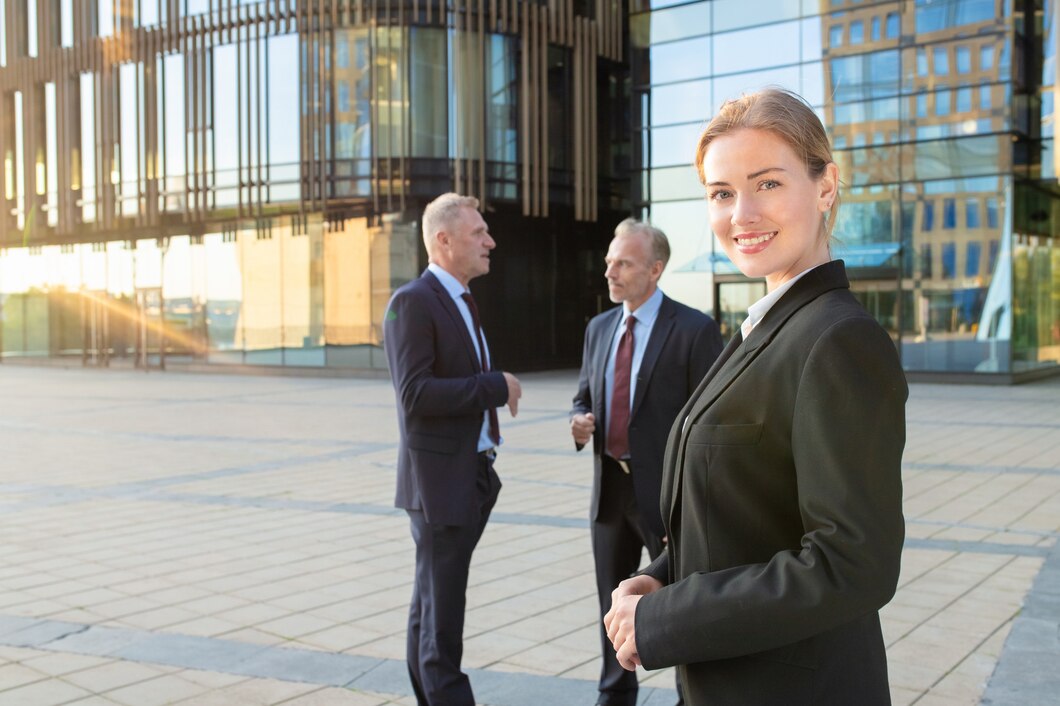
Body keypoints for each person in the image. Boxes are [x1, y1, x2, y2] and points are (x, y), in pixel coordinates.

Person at [604, 88, 908, 705]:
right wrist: (654, 578)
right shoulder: (767, 327)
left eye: (767, 183)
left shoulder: (838, 339)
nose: (740, 214)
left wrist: (665, 620)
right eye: (721, 193)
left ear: (825, 187)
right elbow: (749, 515)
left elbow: (851, 563)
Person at [571, 219, 722, 706]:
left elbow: (711, 424)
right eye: (609, 262)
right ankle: (614, 695)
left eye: (624, 263)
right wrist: (580, 420)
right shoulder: (598, 328)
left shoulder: (695, 330)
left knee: (677, 611)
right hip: (610, 494)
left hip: (666, 499)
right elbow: (583, 397)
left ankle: (688, 696)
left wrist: (692, 504)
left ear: (655, 270)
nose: (610, 272)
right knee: (610, 608)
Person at [384, 192, 522, 706]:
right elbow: (414, 395)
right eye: (478, 233)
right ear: (443, 240)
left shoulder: (461, 301)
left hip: (470, 478)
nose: (490, 241)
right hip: (440, 487)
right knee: (442, 626)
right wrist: (495, 384)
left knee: (429, 611)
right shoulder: (413, 302)